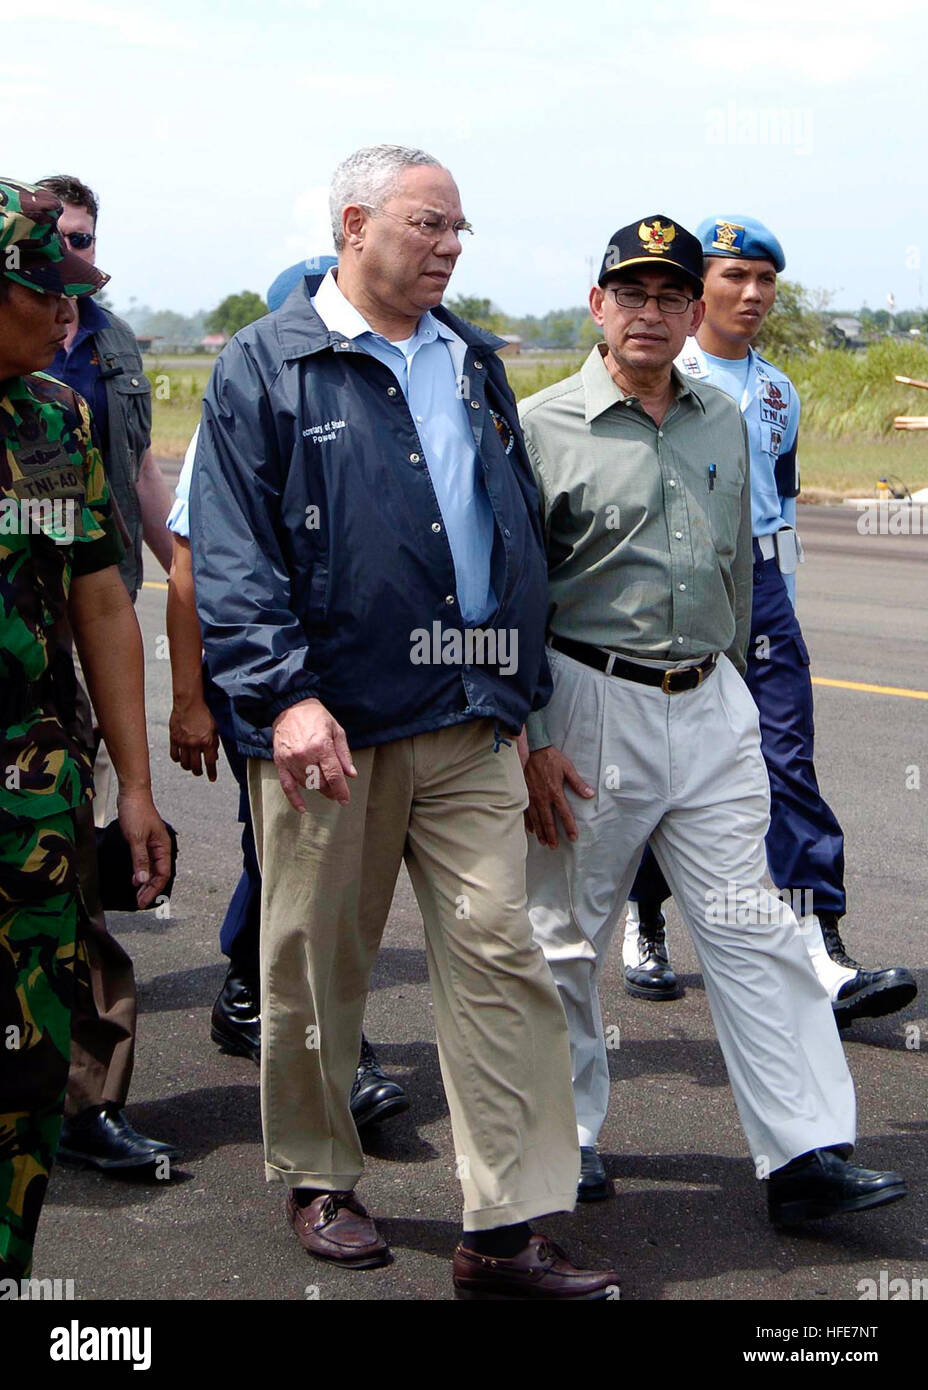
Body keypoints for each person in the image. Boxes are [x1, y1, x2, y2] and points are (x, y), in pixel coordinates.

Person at [190, 144, 617, 1299]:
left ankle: (507, 1221)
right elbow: (230, 557)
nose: (450, 247)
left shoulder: (472, 359)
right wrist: (283, 696)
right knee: (318, 966)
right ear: (354, 222)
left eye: (458, 229)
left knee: (499, 956)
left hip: (469, 715)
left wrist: (523, 718)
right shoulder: (265, 365)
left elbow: (509, 535)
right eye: (429, 225)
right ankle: (323, 1176)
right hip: (329, 729)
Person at [519, 214, 906, 1224]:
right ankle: (567, 1138)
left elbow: (737, 556)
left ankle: (803, 1156)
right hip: (586, 701)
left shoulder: (720, 416)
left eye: (669, 296)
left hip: (710, 701)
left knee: (755, 930)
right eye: (630, 294)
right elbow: (507, 594)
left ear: (691, 313)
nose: (650, 312)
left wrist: (730, 684)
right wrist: (530, 733)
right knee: (564, 934)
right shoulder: (539, 425)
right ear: (596, 306)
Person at [623, 216, 918, 1029]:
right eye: (734, 277)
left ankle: (819, 940)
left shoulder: (780, 389)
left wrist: (779, 600)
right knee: (660, 772)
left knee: (787, 758)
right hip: (671, 587)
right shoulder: (657, 371)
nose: (752, 295)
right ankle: (645, 915)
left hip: (761, 587)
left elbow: (781, 500)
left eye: (765, 281)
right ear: (697, 289)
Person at [166, 255, 410, 1129]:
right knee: (301, 872)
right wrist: (189, 700)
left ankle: (244, 994)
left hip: (359, 689)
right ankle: (329, 1071)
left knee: (285, 868)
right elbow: (193, 573)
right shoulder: (247, 404)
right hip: (270, 692)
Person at [0, 179, 172, 1275]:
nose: (68, 317)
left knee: (22, 1082)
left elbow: (100, 602)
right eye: (47, 292)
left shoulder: (48, 419)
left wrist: (138, 792)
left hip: (29, 801)